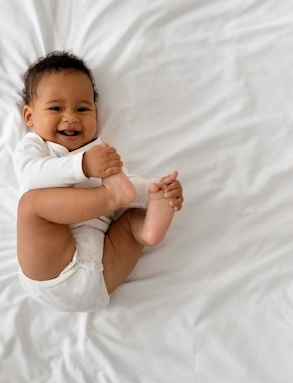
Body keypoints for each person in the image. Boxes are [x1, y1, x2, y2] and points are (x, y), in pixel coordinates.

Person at [14, 51, 183, 312]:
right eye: (56, 108)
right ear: (29, 116)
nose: (71, 117)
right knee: (30, 205)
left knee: (130, 215)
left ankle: (149, 231)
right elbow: (31, 175)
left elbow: (128, 186)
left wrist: (156, 191)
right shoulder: (35, 147)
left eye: (82, 108)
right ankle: (108, 199)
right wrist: (82, 165)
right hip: (51, 271)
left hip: (102, 273)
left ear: (95, 112)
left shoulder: (100, 152)